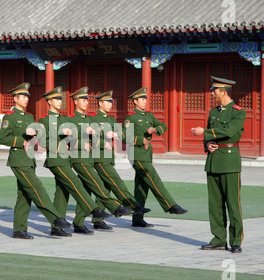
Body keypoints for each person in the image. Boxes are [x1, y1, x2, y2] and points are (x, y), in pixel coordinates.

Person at [0, 83, 72, 239]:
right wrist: (21, 140)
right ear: (15, 98)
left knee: (24, 194)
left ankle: (19, 230)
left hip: (29, 159)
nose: (26, 99)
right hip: (18, 159)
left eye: (27, 97)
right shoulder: (9, 117)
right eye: (23, 97)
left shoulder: (30, 116)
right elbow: (2, 138)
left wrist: (37, 142)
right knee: (37, 188)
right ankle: (55, 219)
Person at [36, 87, 112, 237]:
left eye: (60, 99)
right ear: (49, 101)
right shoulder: (44, 120)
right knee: (75, 183)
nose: (59, 102)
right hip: (56, 159)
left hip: (68, 159)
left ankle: (57, 226)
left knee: (62, 193)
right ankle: (93, 209)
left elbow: (75, 136)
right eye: (56, 99)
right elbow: (42, 141)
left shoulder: (65, 119)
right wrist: (63, 140)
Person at [191, 76, 246, 253]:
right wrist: (207, 143)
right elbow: (209, 137)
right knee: (214, 204)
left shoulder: (238, 112)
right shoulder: (213, 112)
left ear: (224, 92)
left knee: (233, 204)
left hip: (230, 161)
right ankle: (219, 239)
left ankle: (236, 241)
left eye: (214, 90)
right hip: (214, 161)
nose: (213, 93)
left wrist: (204, 132)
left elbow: (229, 131)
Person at [67, 87, 134, 234]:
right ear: (75, 101)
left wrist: (102, 140)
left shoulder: (89, 119)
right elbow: (67, 138)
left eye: (87, 100)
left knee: (85, 190)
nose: (86, 102)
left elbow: (96, 136)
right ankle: (115, 206)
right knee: (97, 185)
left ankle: (78, 222)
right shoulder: (70, 120)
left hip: (89, 158)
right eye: (83, 100)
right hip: (79, 158)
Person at [123, 87, 188, 228]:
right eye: (141, 99)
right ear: (135, 101)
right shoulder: (131, 117)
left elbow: (163, 125)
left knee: (142, 187)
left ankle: (137, 219)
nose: (144, 102)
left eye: (145, 99)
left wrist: (155, 130)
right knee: (154, 179)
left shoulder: (149, 116)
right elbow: (125, 136)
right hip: (136, 154)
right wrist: (142, 140)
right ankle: (171, 205)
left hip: (146, 155)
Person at [90, 90, 151, 230]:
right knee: (115, 181)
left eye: (111, 102)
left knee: (104, 188)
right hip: (99, 156)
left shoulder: (111, 119)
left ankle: (98, 220)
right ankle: (133, 206)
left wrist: (138, 139)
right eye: (107, 102)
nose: (110, 105)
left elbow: (123, 135)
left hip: (108, 156)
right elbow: (89, 136)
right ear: (100, 103)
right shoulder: (93, 118)